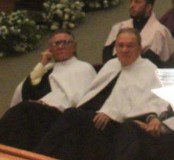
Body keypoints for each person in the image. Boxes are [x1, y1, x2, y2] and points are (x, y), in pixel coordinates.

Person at [35, 28, 166, 160]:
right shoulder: (111, 64)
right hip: (94, 115)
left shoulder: (149, 69)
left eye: (129, 46)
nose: (124, 49)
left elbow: (154, 101)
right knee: (69, 117)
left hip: (118, 123)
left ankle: (36, 156)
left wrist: (111, 112)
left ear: (139, 48)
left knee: (72, 115)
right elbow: (92, 93)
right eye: (120, 45)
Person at [0, 30, 96, 152]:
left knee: (24, 110)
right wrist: (43, 62)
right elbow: (26, 90)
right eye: (55, 44)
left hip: (62, 116)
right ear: (49, 49)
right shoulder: (48, 69)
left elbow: (79, 97)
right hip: (38, 113)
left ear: (74, 47)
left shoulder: (83, 68)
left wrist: (45, 103)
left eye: (65, 42)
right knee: (19, 116)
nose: (60, 46)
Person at [103, 0, 174, 66]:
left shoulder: (160, 32)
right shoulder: (118, 27)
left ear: (148, 7)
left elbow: (160, 62)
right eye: (131, 1)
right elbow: (106, 58)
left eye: (137, 2)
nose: (132, 5)